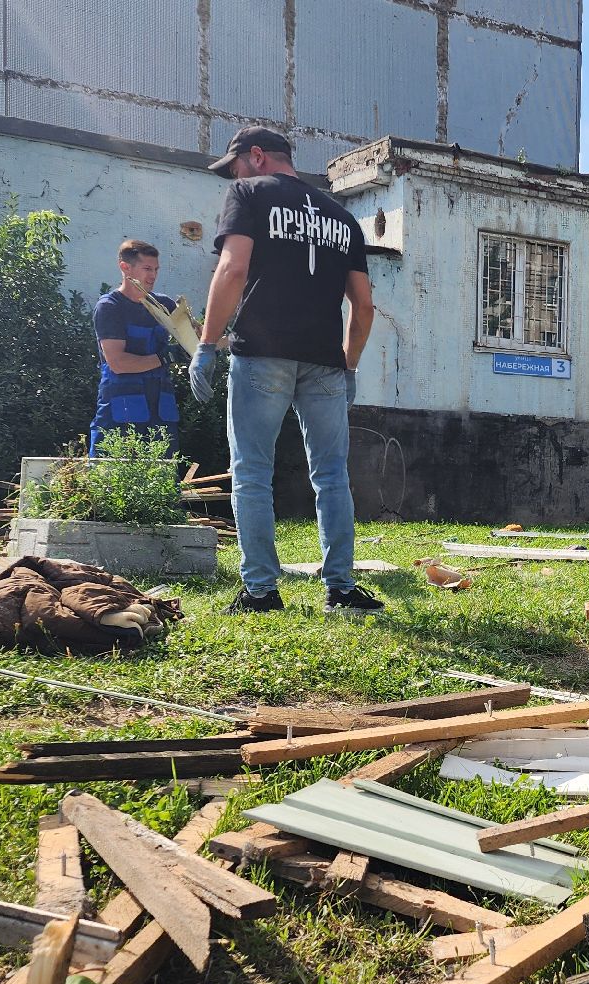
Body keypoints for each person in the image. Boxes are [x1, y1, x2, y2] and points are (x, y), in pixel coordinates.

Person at [188, 126, 383, 616]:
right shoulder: (342, 217)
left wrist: (207, 344)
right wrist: (350, 365)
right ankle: (341, 590)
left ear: (256, 156)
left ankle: (260, 592)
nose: (233, 177)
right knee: (332, 475)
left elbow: (232, 270)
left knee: (253, 472)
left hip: (262, 354)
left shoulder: (248, 194)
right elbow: (363, 306)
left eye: (235, 167)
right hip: (325, 363)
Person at [88, 240, 180, 456]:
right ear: (125, 267)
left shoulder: (164, 305)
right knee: (111, 473)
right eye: (147, 268)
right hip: (121, 409)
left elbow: (196, 336)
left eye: (156, 269)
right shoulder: (110, 307)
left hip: (162, 409)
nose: (153, 275)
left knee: (164, 473)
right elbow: (118, 363)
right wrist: (166, 357)